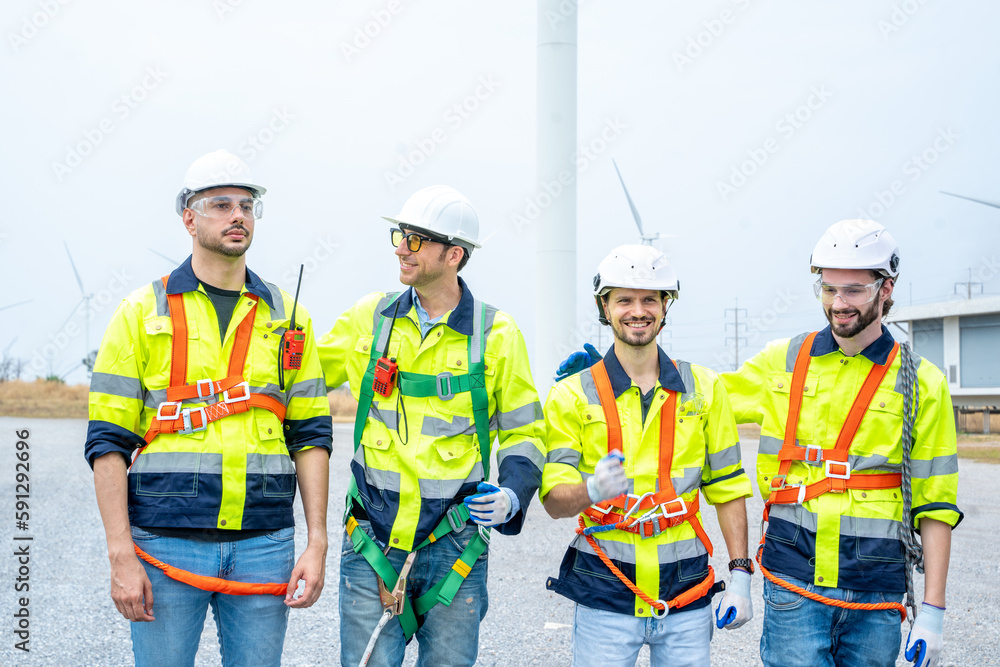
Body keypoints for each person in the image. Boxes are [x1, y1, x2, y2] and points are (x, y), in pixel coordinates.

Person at [85, 149, 332, 667]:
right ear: (189, 217)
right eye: (220, 204)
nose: (237, 215)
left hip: (265, 543)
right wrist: (120, 553)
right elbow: (107, 441)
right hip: (165, 547)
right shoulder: (139, 313)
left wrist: (317, 541)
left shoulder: (289, 317)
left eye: (246, 204)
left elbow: (310, 435)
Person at [318, 185, 545, 666]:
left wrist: (512, 497)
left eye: (417, 239)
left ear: (454, 254)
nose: (401, 247)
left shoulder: (496, 335)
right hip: (372, 538)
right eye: (401, 235)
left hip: (455, 545)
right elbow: (303, 375)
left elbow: (526, 433)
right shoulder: (371, 318)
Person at [721, 219, 961, 667]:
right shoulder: (785, 361)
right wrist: (620, 370)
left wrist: (933, 611)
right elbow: (702, 400)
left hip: (875, 588)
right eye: (828, 289)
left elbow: (936, 505)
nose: (838, 304)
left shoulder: (922, 383)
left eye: (853, 290)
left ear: (886, 289)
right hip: (794, 579)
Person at [542, 245, 755, 667]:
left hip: (687, 592)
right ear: (604, 306)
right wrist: (591, 489)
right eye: (624, 299)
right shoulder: (570, 394)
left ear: (664, 306)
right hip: (605, 591)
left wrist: (742, 576)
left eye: (649, 300)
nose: (637, 311)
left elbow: (729, 487)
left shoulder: (705, 389)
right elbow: (552, 502)